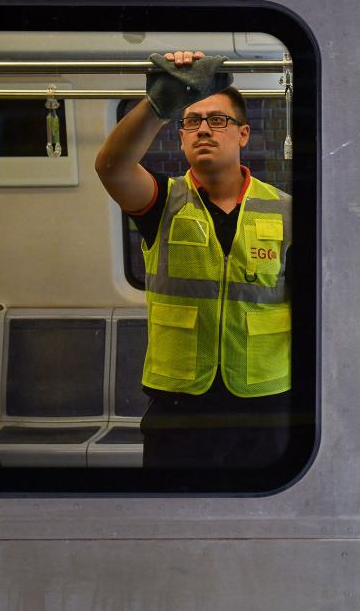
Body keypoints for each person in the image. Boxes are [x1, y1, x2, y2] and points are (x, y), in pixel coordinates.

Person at [95, 51, 293, 469]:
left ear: (243, 135)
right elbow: (112, 168)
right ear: (181, 137)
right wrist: (157, 105)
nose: (203, 129)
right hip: (180, 404)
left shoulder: (287, 212)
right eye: (191, 121)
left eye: (217, 120)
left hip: (266, 403)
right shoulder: (162, 203)